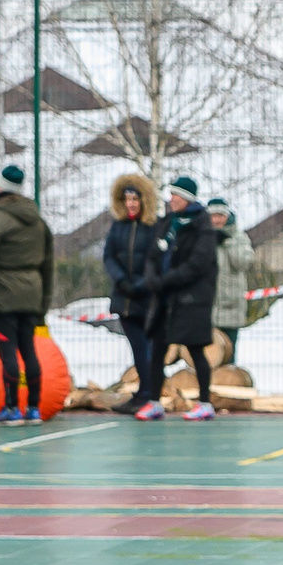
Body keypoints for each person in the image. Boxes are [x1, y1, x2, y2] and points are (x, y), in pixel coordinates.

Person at [0, 163, 54, 424]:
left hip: (3, 297)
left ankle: (11, 408)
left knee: (7, 352)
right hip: (32, 294)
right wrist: (43, 302)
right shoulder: (38, 221)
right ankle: (33, 407)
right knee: (29, 350)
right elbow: (48, 264)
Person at [145, 177, 222, 422]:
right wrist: (153, 278)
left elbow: (199, 263)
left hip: (191, 300)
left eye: (176, 195)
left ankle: (205, 403)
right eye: (171, 195)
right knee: (157, 350)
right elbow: (153, 254)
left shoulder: (202, 225)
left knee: (195, 350)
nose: (172, 199)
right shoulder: (167, 223)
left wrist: (169, 279)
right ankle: (154, 402)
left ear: (187, 198)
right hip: (165, 298)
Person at [98, 174, 162, 416]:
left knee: (147, 348)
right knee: (137, 347)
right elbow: (109, 256)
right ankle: (145, 393)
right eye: (127, 199)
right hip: (124, 298)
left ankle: (149, 394)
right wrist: (121, 280)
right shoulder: (118, 226)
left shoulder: (155, 226)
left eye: (135, 199)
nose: (131, 204)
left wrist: (142, 284)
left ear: (144, 200)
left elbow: (157, 259)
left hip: (147, 299)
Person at [209, 197, 252, 350]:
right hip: (207, 308)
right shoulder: (202, 237)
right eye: (213, 216)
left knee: (229, 354)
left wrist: (228, 241)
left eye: (220, 216)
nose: (216, 220)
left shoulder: (238, 237)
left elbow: (243, 263)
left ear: (227, 217)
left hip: (231, 307)